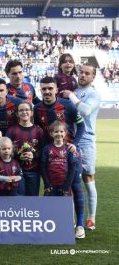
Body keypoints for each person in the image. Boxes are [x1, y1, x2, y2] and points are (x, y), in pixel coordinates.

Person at [34, 76, 86, 239]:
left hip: (70, 155)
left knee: (76, 189)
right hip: (50, 157)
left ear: (56, 89)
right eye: (44, 89)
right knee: (52, 190)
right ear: (40, 90)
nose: (47, 91)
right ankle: (59, 224)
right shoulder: (37, 109)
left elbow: (82, 125)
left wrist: (75, 144)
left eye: (50, 88)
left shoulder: (67, 105)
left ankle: (80, 225)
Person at [60, 63, 101, 230]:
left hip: (86, 141)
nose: (82, 75)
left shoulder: (93, 94)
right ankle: (69, 219)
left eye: (87, 73)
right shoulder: (74, 92)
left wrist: (71, 96)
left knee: (88, 178)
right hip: (70, 141)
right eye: (81, 72)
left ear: (93, 77)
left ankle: (91, 218)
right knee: (68, 179)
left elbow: (85, 110)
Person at [6, 101, 45, 196]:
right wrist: (18, 156)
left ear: (32, 112)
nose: (24, 112)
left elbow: (44, 150)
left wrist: (34, 155)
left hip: (34, 171)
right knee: (19, 200)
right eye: (21, 110)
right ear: (17, 113)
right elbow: (6, 152)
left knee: (32, 198)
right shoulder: (11, 131)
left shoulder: (39, 131)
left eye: (27, 110)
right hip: (16, 172)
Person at [41, 121, 77, 197]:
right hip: (51, 186)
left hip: (65, 186)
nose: (59, 134)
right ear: (51, 133)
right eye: (56, 132)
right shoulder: (47, 148)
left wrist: (67, 186)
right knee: (48, 207)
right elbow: (43, 167)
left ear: (65, 133)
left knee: (64, 208)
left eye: (61, 131)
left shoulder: (68, 148)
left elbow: (72, 168)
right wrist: (46, 184)